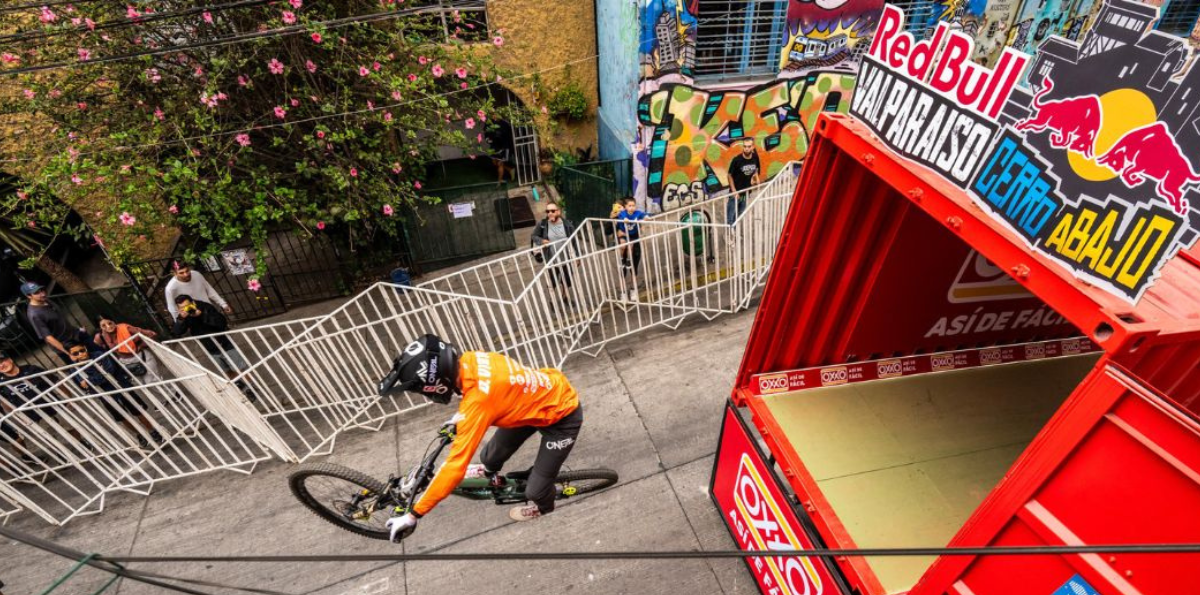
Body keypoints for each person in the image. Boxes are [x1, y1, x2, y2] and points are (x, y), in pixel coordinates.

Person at [381, 334, 583, 541]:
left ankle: (543, 507)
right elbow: (486, 394)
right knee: (489, 456)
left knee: (536, 491)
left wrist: (414, 514)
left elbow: (454, 468)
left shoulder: (479, 403)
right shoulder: (470, 360)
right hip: (531, 403)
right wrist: (460, 419)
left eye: (424, 390)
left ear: (436, 383)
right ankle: (490, 471)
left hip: (562, 417)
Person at [64, 340, 162, 450]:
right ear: (71, 355)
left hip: (121, 385)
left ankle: (152, 430)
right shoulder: (75, 368)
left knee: (137, 409)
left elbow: (109, 371)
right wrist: (95, 378)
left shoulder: (99, 355)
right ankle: (139, 435)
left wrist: (91, 380)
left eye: (81, 350)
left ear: (85, 348)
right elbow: (84, 385)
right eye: (75, 353)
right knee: (121, 416)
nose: (80, 354)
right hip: (105, 394)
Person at [0, 352, 92, 459]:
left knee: (69, 426)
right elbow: (5, 402)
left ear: (10, 359)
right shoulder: (1, 384)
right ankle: (61, 453)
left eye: (2, 361)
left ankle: (80, 442)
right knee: (48, 435)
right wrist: (19, 416)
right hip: (33, 415)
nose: (1, 366)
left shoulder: (32, 369)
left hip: (53, 406)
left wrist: (68, 399)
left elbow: (55, 382)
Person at [171, 294, 256, 400]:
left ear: (193, 302)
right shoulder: (184, 315)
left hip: (223, 342)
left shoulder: (205, 307)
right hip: (209, 346)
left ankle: (252, 386)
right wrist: (180, 319)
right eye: (182, 307)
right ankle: (243, 388)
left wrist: (201, 315)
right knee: (226, 369)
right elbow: (177, 331)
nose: (186, 309)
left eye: (187, 306)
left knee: (240, 367)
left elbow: (221, 322)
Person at [21, 282, 94, 366]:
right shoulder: (34, 314)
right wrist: (68, 353)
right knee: (88, 368)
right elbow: (48, 338)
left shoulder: (45, 300)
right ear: (29, 296)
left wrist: (78, 329)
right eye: (36, 293)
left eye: (41, 290)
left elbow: (59, 319)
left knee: (98, 353)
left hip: (75, 333)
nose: (42, 294)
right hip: (66, 345)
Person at [530, 202, 577, 307]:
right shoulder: (542, 224)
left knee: (567, 280)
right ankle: (552, 301)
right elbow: (534, 236)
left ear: (558, 212)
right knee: (552, 282)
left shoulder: (567, 224)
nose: (550, 213)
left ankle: (565, 297)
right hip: (551, 260)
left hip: (566, 258)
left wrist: (577, 256)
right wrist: (542, 241)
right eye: (547, 211)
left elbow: (574, 241)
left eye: (552, 211)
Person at [94, 315, 164, 383]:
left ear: (113, 322)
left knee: (152, 381)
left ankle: (173, 393)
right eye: (103, 325)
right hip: (126, 363)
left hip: (141, 356)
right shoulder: (100, 337)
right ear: (100, 328)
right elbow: (98, 347)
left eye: (110, 323)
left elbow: (151, 334)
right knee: (143, 385)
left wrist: (140, 346)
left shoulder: (125, 327)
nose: (108, 326)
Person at [165, 263, 230, 321]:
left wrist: (223, 304)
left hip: (209, 309)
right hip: (193, 316)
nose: (186, 274)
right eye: (181, 273)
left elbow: (209, 289)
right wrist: (180, 322)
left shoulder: (196, 274)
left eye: (187, 271)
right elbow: (172, 307)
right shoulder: (171, 288)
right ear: (175, 273)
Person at [615, 197, 647, 302]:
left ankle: (633, 290)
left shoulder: (637, 213)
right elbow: (617, 220)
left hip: (634, 240)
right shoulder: (622, 214)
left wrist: (646, 218)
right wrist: (622, 220)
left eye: (633, 205)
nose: (632, 208)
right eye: (630, 206)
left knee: (634, 269)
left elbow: (644, 215)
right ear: (624, 207)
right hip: (624, 238)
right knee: (622, 271)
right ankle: (623, 292)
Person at [726, 138, 761, 225]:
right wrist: (734, 192)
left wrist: (755, 178)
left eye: (749, 146)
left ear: (753, 147)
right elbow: (729, 175)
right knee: (730, 217)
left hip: (745, 193)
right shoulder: (737, 160)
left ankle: (733, 232)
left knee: (739, 215)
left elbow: (756, 169)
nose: (746, 149)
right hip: (735, 194)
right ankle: (730, 234)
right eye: (745, 146)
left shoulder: (755, 157)